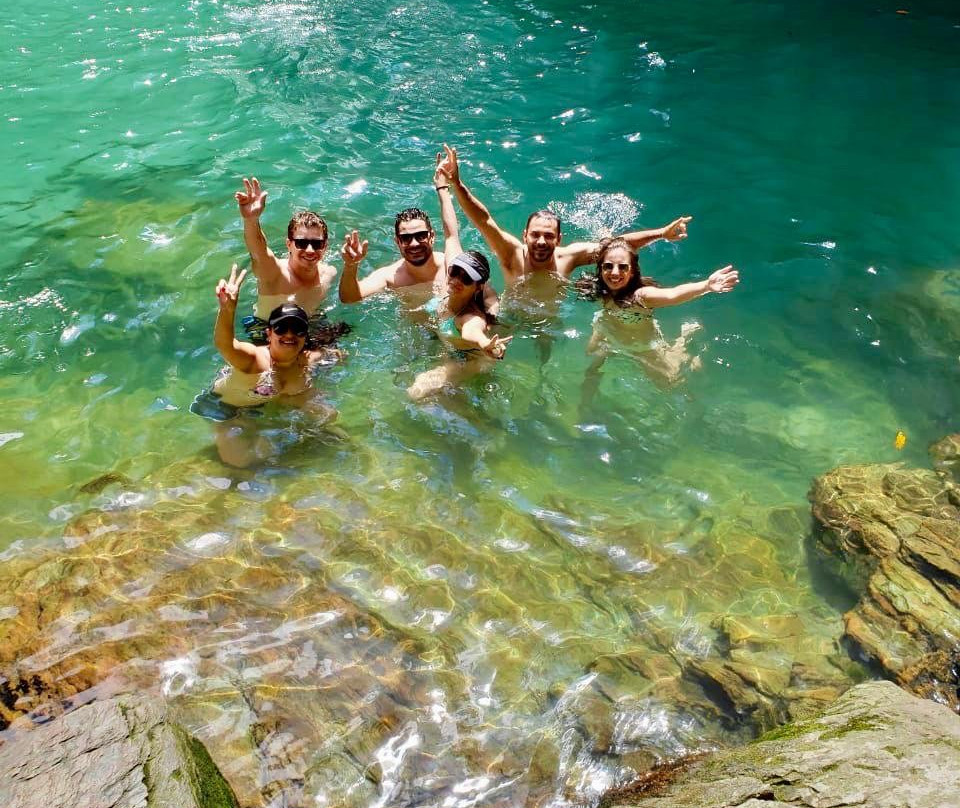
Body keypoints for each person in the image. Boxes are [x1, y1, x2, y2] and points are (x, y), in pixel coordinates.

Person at [435, 144, 692, 285]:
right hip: (514, 319)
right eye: (535, 234)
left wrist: (661, 234)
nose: (541, 241)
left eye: (549, 236)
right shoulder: (510, 253)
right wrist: (457, 185)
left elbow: (618, 245)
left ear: (559, 239)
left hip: (553, 324)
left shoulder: (569, 257)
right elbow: (484, 220)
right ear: (525, 235)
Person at [190, 264, 340, 467]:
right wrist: (227, 309)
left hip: (262, 405)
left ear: (305, 336)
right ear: (269, 334)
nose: (289, 334)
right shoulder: (255, 360)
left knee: (329, 420)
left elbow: (336, 355)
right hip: (227, 410)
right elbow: (225, 345)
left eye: (297, 329)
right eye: (281, 328)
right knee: (240, 463)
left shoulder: (307, 359)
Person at [406, 158, 513, 400]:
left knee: (417, 390)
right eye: (455, 271)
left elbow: (472, 333)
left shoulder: (470, 316)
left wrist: (486, 343)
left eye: (466, 278)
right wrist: (443, 188)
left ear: (477, 287)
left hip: (472, 360)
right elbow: (451, 233)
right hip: (451, 350)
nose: (456, 279)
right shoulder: (452, 275)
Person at [578, 237, 739, 394]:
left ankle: (683, 340)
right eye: (608, 266)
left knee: (671, 384)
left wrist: (706, 286)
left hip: (642, 347)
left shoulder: (641, 296)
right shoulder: (600, 288)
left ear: (632, 272)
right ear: (600, 268)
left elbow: (672, 295)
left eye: (623, 267)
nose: (614, 272)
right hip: (606, 329)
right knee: (588, 360)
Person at [234, 177, 348, 345]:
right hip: (268, 331)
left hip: (305, 327)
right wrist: (251, 220)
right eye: (301, 243)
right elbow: (258, 250)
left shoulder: (329, 273)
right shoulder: (275, 273)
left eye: (317, 244)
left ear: (325, 246)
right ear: (289, 244)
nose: (310, 250)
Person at [338, 208, 446, 302]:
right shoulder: (389, 278)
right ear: (397, 242)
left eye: (421, 236)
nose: (414, 243)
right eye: (406, 238)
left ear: (432, 236)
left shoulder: (450, 265)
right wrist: (350, 265)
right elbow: (349, 298)